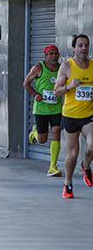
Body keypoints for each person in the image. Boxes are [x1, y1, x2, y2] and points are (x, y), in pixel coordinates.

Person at [54, 34, 92, 199]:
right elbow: (57, 91)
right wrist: (70, 85)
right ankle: (68, 183)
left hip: (88, 115)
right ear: (74, 48)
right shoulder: (67, 66)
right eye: (81, 45)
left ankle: (86, 165)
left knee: (92, 145)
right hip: (70, 116)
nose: (84, 48)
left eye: (86, 45)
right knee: (72, 154)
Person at [23, 45, 62, 176]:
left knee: (56, 133)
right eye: (51, 54)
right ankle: (34, 134)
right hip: (41, 109)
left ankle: (53, 167)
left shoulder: (61, 68)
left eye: (56, 54)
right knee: (42, 139)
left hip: (57, 108)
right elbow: (26, 83)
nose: (54, 56)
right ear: (45, 56)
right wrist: (35, 94)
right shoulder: (38, 67)